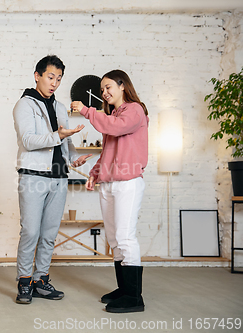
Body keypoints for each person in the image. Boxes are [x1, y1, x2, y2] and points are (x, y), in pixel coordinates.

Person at [13, 55, 91, 304]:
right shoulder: (24, 105)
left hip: (59, 177)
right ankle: (24, 282)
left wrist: (74, 158)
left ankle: (40, 280)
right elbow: (28, 141)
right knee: (31, 232)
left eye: (58, 78)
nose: (54, 83)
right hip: (33, 177)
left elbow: (65, 140)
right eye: (50, 77)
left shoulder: (59, 107)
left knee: (48, 234)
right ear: (37, 76)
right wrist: (59, 134)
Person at [71, 69, 149, 313]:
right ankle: (124, 290)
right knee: (114, 239)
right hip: (109, 183)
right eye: (102, 89)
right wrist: (96, 173)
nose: (104, 93)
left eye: (108, 87)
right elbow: (109, 150)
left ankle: (134, 298)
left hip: (127, 182)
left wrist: (86, 110)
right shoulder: (114, 114)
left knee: (126, 237)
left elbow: (115, 128)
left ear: (122, 85)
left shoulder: (134, 110)